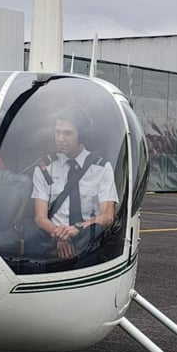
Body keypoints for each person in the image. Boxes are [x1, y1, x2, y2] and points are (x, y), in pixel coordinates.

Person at [25, 105, 118, 264]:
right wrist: (60, 236)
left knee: (98, 236)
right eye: (57, 132)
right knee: (30, 237)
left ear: (81, 135)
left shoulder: (102, 168)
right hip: (52, 233)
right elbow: (40, 218)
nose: (60, 138)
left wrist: (77, 229)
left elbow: (107, 216)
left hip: (85, 233)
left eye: (67, 133)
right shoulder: (45, 168)